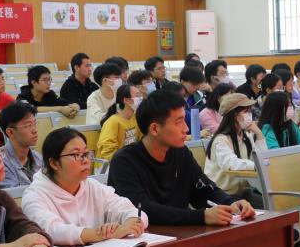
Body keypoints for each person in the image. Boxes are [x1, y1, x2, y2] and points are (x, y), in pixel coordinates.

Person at [107, 90, 254, 225]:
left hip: (180, 234)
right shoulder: (124, 161)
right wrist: (201, 217)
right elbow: (143, 209)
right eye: (179, 122)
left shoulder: (180, 152)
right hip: (143, 238)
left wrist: (230, 203)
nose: (186, 128)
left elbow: (203, 189)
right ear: (155, 129)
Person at [22, 128, 147, 246]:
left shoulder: (92, 186)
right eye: (76, 154)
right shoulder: (34, 195)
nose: (85, 160)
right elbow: (52, 230)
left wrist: (131, 223)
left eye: (86, 153)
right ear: (54, 163)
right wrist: (104, 234)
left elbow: (129, 209)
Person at [203, 94, 266, 208]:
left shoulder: (246, 136)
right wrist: (256, 165)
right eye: (246, 111)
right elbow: (230, 163)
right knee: (259, 211)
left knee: (270, 205)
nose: (249, 115)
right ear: (234, 115)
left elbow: (262, 158)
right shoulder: (221, 140)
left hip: (242, 193)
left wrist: (259, 134)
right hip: (222, 194)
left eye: (250, 111)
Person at [0, 102, 43, 187]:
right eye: (28, 125)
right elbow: (14, 194)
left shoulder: (39, 158)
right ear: (10, 132)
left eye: (34, 124)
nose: (35, 130)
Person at [96, 84, 142, 161]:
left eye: (140, 95)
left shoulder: (136, 118)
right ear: (126, 100)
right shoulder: (113, 121)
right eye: (137, 96)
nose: (141, 99)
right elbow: (107, 152)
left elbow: (142, 142)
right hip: (112, 164)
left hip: (130, 161)